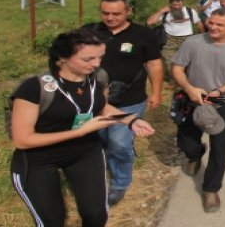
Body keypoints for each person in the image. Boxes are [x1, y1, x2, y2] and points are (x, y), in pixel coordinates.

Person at [10, 30, 154, 226]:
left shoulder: (98, 77)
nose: (96, 64)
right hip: (39, 159)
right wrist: (79, 131)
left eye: (100, 57)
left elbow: (100, 105)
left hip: (85, 151)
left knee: (96, 215)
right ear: (63, 58)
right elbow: (23, 139)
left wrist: (130, 120)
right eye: (88, 59)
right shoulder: (34, 88)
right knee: (52, 221)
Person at [171, 9, 225, 213]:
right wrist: (190, 89)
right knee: (186, 141)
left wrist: (219, 91)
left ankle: (211, 189)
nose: (213, 28)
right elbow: (176, 68)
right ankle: (195, 154)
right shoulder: (193, 42)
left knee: (219, 147)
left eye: (220, 25)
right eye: (211, 23)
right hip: (193, 100)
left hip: (223, 102)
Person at [83, 0, 162, 206]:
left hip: (130, 99)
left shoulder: (142, 34)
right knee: (97, 142)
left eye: (116, 13)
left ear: (128, 12)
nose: (110, 17)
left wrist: (156, 92)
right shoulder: (89, 31)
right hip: (94, 101)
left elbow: (154, 64)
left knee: (118, 143)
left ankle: (119, 184)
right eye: (105, 13)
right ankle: (99, 178)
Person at [147, 0, 204, 77]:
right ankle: (175, 81)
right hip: (169, 39)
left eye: (179, 5)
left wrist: (202, 37)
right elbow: (149, 22)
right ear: (170, 4)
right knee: (169, 62)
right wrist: (161, 11)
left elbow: (199, 24)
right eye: (174, 5)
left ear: (183, 3)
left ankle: (187, 79)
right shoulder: (166, 13)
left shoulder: (190, 11)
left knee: (189, 61)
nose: (177, 7)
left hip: (187, 39)